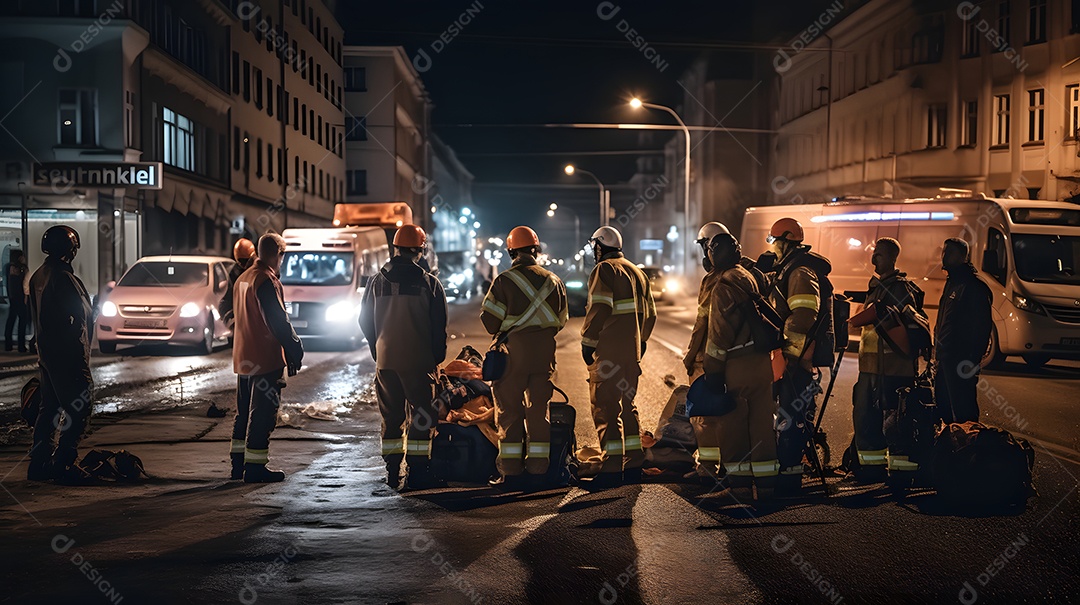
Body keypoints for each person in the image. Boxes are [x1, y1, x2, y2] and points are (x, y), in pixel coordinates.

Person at [360, 224, 448, 490]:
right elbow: (439, 327)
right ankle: (418, 472)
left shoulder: (376, 281)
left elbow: (364, 320)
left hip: (385, 362)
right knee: (421, 418)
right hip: (419, 363)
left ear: (395, 249)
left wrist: (378, 351)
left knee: (391, 418)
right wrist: (436, 358)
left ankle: (392, 470)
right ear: (420, 251)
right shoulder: (429, 283)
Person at [481, 226, 567, 489]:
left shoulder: (504, 281)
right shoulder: (554, 281)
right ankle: (538, 470)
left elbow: (490, 323)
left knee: (510, 413)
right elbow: (562, 320)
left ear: (511, 252)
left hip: (512, 355)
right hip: (544, 355)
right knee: (539, 412)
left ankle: (510, 472)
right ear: (536, 251)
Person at [701, 232, 779, 501]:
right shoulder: (747, 276)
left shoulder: (723, 285)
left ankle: (739, 490)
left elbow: (719, 336)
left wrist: (713, 371)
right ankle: (767, 488)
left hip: (737, 365)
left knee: (732, 428)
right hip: (760, 362)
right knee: (761, 427)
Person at [581, 226, 656, 485]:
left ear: (600, 246)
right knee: (628, 407)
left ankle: (611, 467)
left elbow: (600, 307)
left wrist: (588, 342)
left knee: (606, 408)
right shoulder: (637, 271)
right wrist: (642, 340)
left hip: (608, 353)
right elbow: (651, 313)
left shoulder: (605, 270)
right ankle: (634, 462)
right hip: (630, 354)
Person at [761, 217, 828, 494]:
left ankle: (789, 479)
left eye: (774, 241)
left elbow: (803, 317)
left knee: (790, 418)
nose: (773, 247)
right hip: (791, 358)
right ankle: (787, 471)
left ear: (786, 241)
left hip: (797, 360)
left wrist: (788, 353)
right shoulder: (788, 268)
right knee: (786, 416)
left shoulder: (800, 272)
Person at [850, 238, 925, 485]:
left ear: (893, 258)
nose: (873, 260)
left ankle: (899, 474)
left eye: (879, 255)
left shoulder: (900, 289)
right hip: (871, 369)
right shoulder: (877, 286)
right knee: (867, 419)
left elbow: (900, 327)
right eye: (874, 254)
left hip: (892, 370)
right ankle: (870, 470)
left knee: (894, 424)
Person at [231, 233, 304, 483]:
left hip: (243, 358)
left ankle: (237, 465)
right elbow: (278, 321)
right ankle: (255, 468)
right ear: (278, 254)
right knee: (263, 413)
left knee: (243, 413)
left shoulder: (243, 278)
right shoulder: (265, 280)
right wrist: (295, 348)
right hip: (265, 358)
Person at [27, 226, 94, 483]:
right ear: (71, 249)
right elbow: (77, 316)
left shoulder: (37, 276)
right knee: (80, 406)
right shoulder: (63, 278)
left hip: (46, 353)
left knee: (49, 408)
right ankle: (64, 462)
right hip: (67, 355)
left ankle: (39, 463)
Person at [683, 222, 731, 482]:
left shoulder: (714, 279)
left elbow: (703, 323)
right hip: (736, 358)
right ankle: (728, 467)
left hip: (710, 357)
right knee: (728, 414)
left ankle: (708, 469)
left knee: (705, 415)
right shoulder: (741, 272)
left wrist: (691, 356)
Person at [934, 237, 993, 424]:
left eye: (949, 252)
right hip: (945, 359)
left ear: (963, 256)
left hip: (961, 360)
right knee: (943, 406)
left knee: (963, 411)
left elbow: (982, 327)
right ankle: (951, 448)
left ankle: (969, 448)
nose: (944, 256)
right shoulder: (952, 283)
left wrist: (973, 359)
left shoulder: (973, 286)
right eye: (943, 251)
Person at [221, 238, 256, 333]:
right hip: (238, 317)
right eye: (241, 261)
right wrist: (229, 319)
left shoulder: (257, 272)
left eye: (246, 260)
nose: (243, 264)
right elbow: (227, 298)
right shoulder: (234, 272)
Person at [5, 249, 30, 352]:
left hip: (12, 297)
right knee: (22, 321)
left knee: (11, 320)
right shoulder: (23, 268)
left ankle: (8, 344)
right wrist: (26, 297)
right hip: (20, 297)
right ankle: (21, 345)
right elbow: (25, 284)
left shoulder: (8, 267)